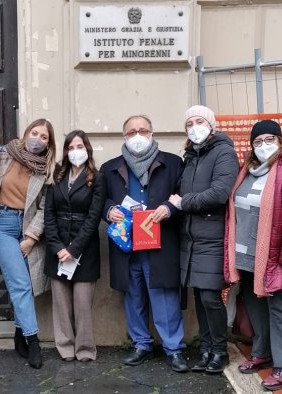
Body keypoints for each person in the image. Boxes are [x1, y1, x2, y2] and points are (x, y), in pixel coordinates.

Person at [224, 120, 282, 391]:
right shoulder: (247, 171)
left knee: (280, 312)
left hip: (276, 258)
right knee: (255, 307)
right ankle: (262, 353)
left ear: (280, 140)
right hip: (248, 256)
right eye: (257, 141)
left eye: (269, 139)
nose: (263, 145)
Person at [100, 115, 188, 373]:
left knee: (164, 298)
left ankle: (174, 348)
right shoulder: (110, 167)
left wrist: (169, 207)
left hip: (160, 243)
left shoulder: (172, 163)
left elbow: (184, 194)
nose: (138, 135)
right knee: (133, 296)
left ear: (152, 133)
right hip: (127, 246)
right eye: (132, 132)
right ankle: (141, 344)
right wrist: (110, 210)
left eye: (143, 130)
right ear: (124, 136)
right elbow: (100, 200)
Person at [168, 106, 238, 374]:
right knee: (199, 295)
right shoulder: (190, 157)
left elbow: (219, 193)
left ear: (211, 125)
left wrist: (184, 203)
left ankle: (220, 350)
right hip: (191, 238)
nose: (194, 127)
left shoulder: (224, 152)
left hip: (212, 237)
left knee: (210, 296)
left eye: (199, 121)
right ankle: (206, 348)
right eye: (189, 123)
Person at [0, 118, 56, 369]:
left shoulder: (46, 169)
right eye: (35, 133)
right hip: (1, 225)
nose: (37, 139)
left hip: (27, 226)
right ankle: (33, 341)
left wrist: (31, 237)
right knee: (20, 283)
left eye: (44, 137)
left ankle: (19, 334)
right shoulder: (2, 155)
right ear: (26, 132)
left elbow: (44, 207)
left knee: (28, 284)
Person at [44, 130, 105, 362]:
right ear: (66, 151)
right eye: (71, 147)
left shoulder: (97, 178)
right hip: (57, 247)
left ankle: (85, 350)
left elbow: (94, 217)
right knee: (60, 305)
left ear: (87, 149)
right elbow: (48, 213)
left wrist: (74, 249)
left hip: (84, 249)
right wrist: (57, 246)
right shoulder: (57, 175)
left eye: (80, 146)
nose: (75, 151)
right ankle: (65, 347)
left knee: (82, 305)